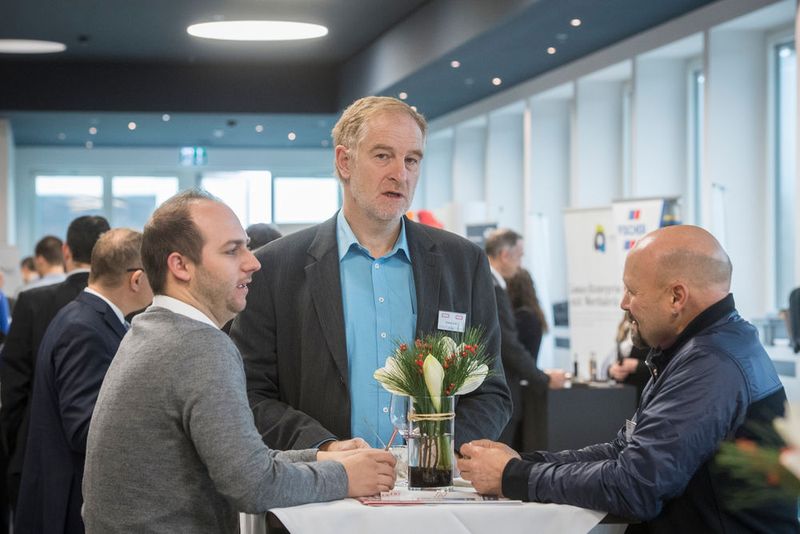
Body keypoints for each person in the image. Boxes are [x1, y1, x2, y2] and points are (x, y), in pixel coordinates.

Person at [82, 190, 395, 534]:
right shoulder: (198, 346)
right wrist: (345, 476)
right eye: (232, 251)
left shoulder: (154, 331)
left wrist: (322, 457)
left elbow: (243, 461)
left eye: (246, 246)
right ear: (180, 266)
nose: (253, 262)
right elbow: (253, 486)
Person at [458, 225, 797, 533]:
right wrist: (521, 462)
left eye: (632, 291)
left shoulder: (711, 364)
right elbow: (623, 452)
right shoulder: (698, 351)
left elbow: (635, 486)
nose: (623, 303)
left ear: (676, 297)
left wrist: (512, 476)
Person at [230, 96, 511, 451]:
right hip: (321, 479)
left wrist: (436, 451)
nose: (400, 174)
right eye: (382, 156)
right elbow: (250, 392)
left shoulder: (463, 263)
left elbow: (490, 392)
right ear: (344, 162)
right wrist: (325, 449)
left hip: (430, 479)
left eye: (411, 160)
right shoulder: (275, 268)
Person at [15, 229, 153, 534]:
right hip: (70, 503)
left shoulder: (84, 317)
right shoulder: (85, 329)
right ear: (137, 279)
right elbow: (85, 429)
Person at [0, 215, 109, 511]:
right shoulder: (126, 307)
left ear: (66, 251)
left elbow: (14, 385)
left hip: (34, 449)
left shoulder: (32, 301)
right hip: (101, 461)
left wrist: (14, 443)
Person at [485, 229, 565, 450]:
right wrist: (543, 379)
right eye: (519, 256)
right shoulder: (492, 287)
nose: (520, 264)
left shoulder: (485, 282)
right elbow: (508, 346)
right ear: (505, 255)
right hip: (497, 394)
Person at [608, 316, 650, 401]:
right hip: (623, 394)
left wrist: (637, 366)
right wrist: (611, 370)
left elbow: (661, 364)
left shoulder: (648, 326)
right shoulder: (623, 326)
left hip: (643, 392)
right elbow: (614, 360)